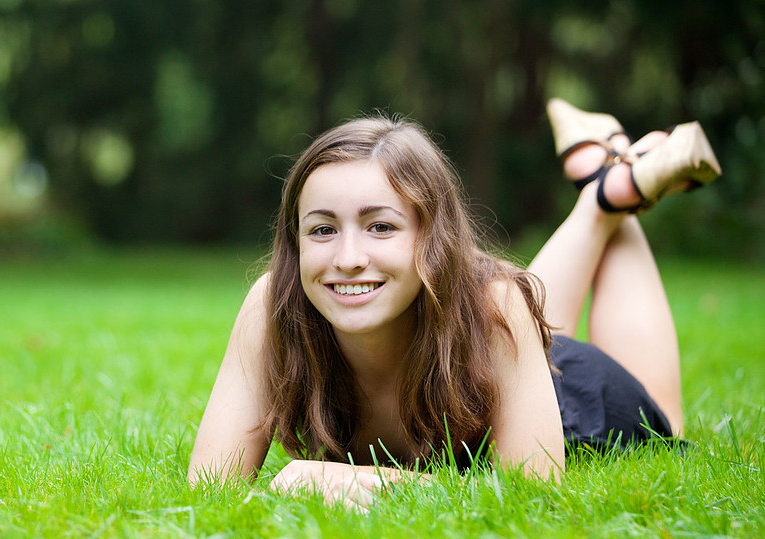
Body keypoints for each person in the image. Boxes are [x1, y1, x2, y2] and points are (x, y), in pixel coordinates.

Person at [188, 100, 721, 509]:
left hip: (570, 401)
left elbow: (530, 500)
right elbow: (210, 486)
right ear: (294, 241)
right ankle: (610, 179)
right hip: (488, 352)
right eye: (322, 229)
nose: (348, 257)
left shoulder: (497, 308)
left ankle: (609, 193)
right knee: (496, 307)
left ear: (433, 240)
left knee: (663, 420)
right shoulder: (275, 305)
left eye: (381, 226)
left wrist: (345, 479)